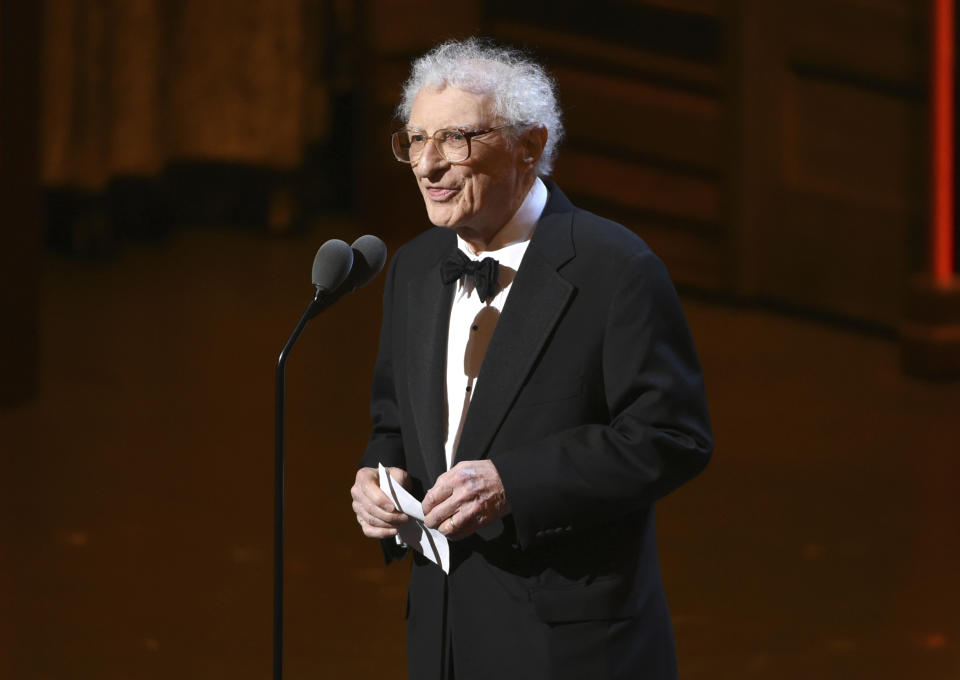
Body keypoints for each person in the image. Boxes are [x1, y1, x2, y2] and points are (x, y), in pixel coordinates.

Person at [350, 38, 713, 680]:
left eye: (457, 139)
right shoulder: (413, 268)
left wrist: (512, 484)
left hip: (568, 644)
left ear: (530, 145)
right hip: (443, 637)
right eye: (415, 140)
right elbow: (393, 423)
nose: (429, 165)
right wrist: (380, 481)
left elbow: (671, 437)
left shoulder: (617, 268)